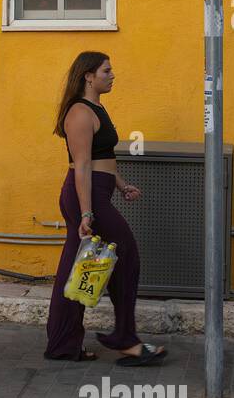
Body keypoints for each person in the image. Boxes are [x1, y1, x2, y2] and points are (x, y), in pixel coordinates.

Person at [44, 51, 166, 366]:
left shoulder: (97, 108)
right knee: (125, 254)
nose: (112, 75)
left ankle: (63, 343)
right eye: (106, 70)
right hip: (85, 196)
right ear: (88, 75)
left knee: (76, 270)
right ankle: (125, 339)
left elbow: (102, 158)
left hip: (97, 191)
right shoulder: (80, 113)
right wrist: (87, 213)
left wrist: (120, 184)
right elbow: (81, 166)